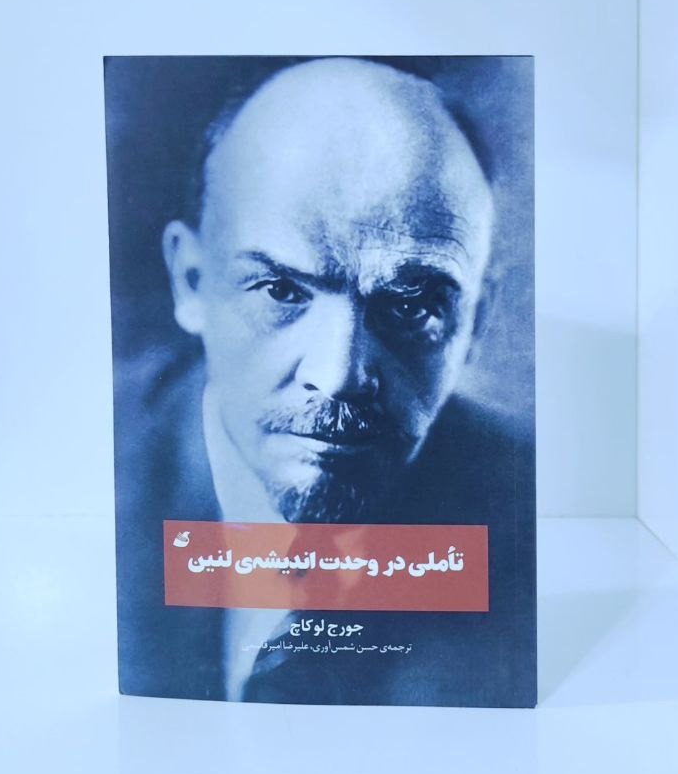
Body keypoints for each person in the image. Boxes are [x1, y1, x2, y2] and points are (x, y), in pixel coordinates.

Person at [113, 57, 535, 707]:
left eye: (412, 305)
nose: (338, 376)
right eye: (280, 290)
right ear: (191, 281)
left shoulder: (525, 519)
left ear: (473, 322)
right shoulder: (89, 473)